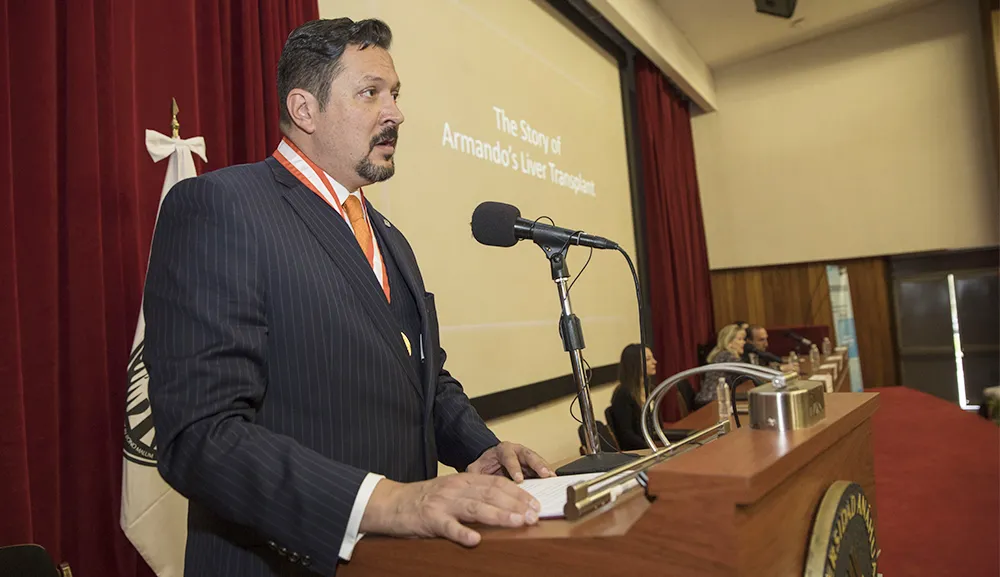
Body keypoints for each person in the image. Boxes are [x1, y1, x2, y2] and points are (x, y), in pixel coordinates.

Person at [144, 18, 553, 577]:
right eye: (371, 93)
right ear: (305, 110)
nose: (396, 113)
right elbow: (200, 436)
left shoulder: (390, 238)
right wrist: (390, 502)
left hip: (400, 561)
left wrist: (482, 449)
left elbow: (423, 381)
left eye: (396, 94)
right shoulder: (219, 207)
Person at [608, 344, 658, 451]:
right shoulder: (623, 394)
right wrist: (653, 447)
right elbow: (627, 435)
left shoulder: (651, 389)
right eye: (648, 359)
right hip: (639, 451)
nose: (655, 362)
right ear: (635, 364)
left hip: (653, 445)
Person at [694, 324, 746, 407]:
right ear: (729, 342)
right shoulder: (727, 356)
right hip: (712, 401)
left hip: (709, 399)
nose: (744, 342)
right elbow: (748, 373)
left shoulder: (720, 354)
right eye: (740, 339)